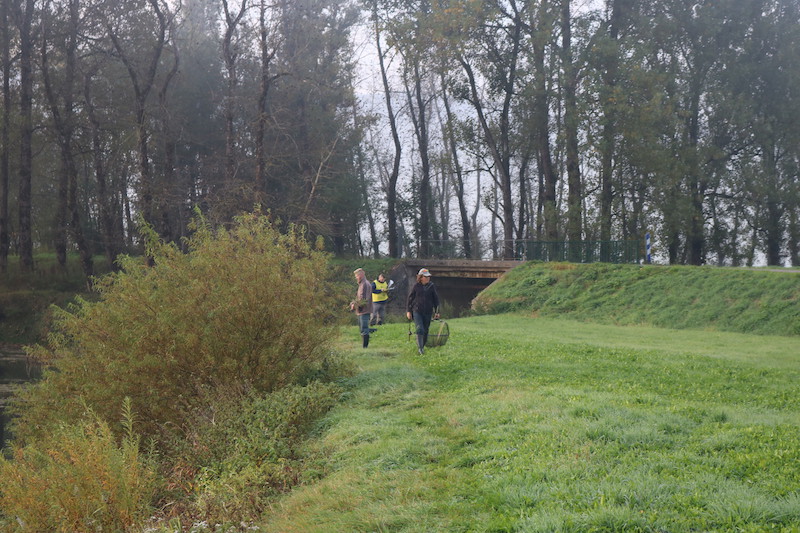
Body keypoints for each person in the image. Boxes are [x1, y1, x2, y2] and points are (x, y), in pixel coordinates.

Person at [406, 268, 440, 355]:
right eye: (426, 277)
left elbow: (436, 300)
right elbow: (410, 299)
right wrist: (408, 311)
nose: (428, 278)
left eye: (428, 277)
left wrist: (437, 312)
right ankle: (420, 348)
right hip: (417, 311)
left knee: (425, 330)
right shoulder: (416, 286)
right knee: (420, 329)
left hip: (428, 311)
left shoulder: (431, 286)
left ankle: (422, 346)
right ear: (421, 277)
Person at [350, 268, 373, 348]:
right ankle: (364, 346)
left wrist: (355, 305)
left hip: (364, 310)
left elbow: (363, 299)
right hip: (361, 310)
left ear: (361, 275)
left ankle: (365, 347)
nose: (356, 278)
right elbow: (358, 297)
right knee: (362, 328)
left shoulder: (365, 284)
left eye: (357, 276)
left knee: (364, 329)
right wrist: (353, 303)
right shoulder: (361, 284)